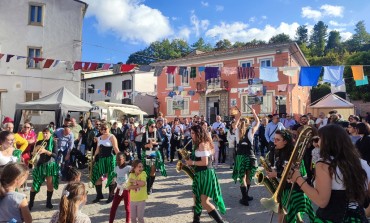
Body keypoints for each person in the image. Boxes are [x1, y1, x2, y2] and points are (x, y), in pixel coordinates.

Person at [292, 124, 370, 222]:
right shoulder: (363, 163)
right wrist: (363, 213)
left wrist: (298, 178)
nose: (318, 143)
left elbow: (322, 201)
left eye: (320, 139)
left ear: (327, 142)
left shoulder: (324, 164)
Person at [265, 130, 315, 223]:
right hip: (285, 187)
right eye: (274, 139)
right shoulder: (277, 150)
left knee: (283, 214)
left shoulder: (293, 154)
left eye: (277, 140)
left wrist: (276, 174)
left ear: (285, 141)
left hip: (295, 189)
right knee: (291, 216)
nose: (274, 142)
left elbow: (295, 173)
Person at [185, 124, 226, 223]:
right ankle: (196, 220)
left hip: (205, 174)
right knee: (196, 196)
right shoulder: (204, 142)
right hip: (202, 173)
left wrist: (192, 162)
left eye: (193, 133)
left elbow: (205, 162)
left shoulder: (202, 144)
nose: (192, 135)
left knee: (204, 201)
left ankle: (220, 221)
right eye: (191, 133)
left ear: (199, 133)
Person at [232, 107, 260, 206]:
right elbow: (258, 122)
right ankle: (246, 196)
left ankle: (244, 198)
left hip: (241, 157)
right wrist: (254, 113)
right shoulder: (251, 130)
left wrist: (239, 116)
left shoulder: (237, 131)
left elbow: (235, 124)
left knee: (242, 177)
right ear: (248, 123)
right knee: (248, 177)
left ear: (240, 123)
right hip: (250, 156)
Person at [28, 128, 59, 210]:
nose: (45, 135)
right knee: (35, 185)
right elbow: (33, 153)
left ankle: (48, 202)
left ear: (50, 134)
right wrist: (34, 152)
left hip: (50, 166)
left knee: (50, 185)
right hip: (40, 165)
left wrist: (45, 151)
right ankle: (30, 203)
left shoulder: (54, 142)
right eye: (44, 133)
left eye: (47, 133)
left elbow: (55, 155)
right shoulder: (39, 142)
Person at [91, 123, 120, 203]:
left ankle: (111, 195)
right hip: (101, 159)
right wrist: (93, 158)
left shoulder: (112, 137)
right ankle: (99, 195)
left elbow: (116, 148)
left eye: (105, 129)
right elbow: (97, 149)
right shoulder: (99, 138)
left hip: (110, 159)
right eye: (102, 129)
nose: (104, 130)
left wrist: (121, 159)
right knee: (97, 176)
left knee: (110, 176)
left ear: (109, 129)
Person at [141, 119, 166, 194]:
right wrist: (147, 145)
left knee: (153, 170)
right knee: (147, 170)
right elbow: (142, 145)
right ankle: (148, 186)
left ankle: (150, 187)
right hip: (148, 153)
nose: (153, 127)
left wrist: (156, 143)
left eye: (155, 126)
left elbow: (161, 142)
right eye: (152, 126)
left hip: (154, 153)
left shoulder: (157, 132)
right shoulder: (145, 134)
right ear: (148, 126)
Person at [109, 152, 131, 223]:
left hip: (126, 190)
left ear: (124, 159)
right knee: (113, 208)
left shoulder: (129, 168)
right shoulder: (116, 168)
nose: (117, 161)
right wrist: (112, 190)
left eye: (119, 159)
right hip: (118, 190)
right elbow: (116, 180)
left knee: (127, 208)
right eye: (116, 160)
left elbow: (135, 175)